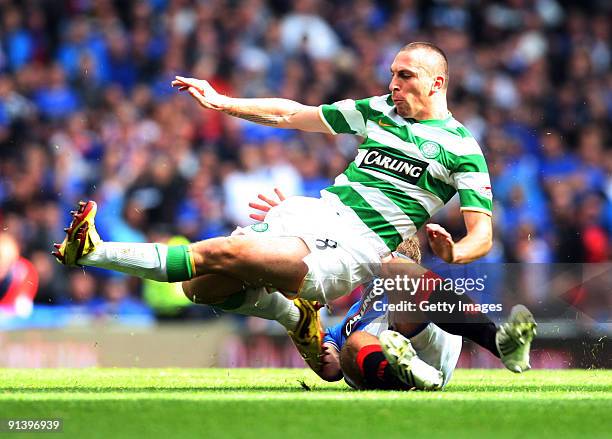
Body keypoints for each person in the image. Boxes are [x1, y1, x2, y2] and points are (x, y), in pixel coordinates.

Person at [53, 42, 535, 375]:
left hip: (354, 246)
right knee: (200, 288)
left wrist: (454, 254)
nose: (392, 84)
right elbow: (292, 113)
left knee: (221, 253)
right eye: (391, 74)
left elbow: (482, 235)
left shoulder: (461, 149)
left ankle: (92, 252)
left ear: (437, 82)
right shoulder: (376, 112)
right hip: (313, 212)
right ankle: (294, 316)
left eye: (404, 76)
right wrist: (223, 103)